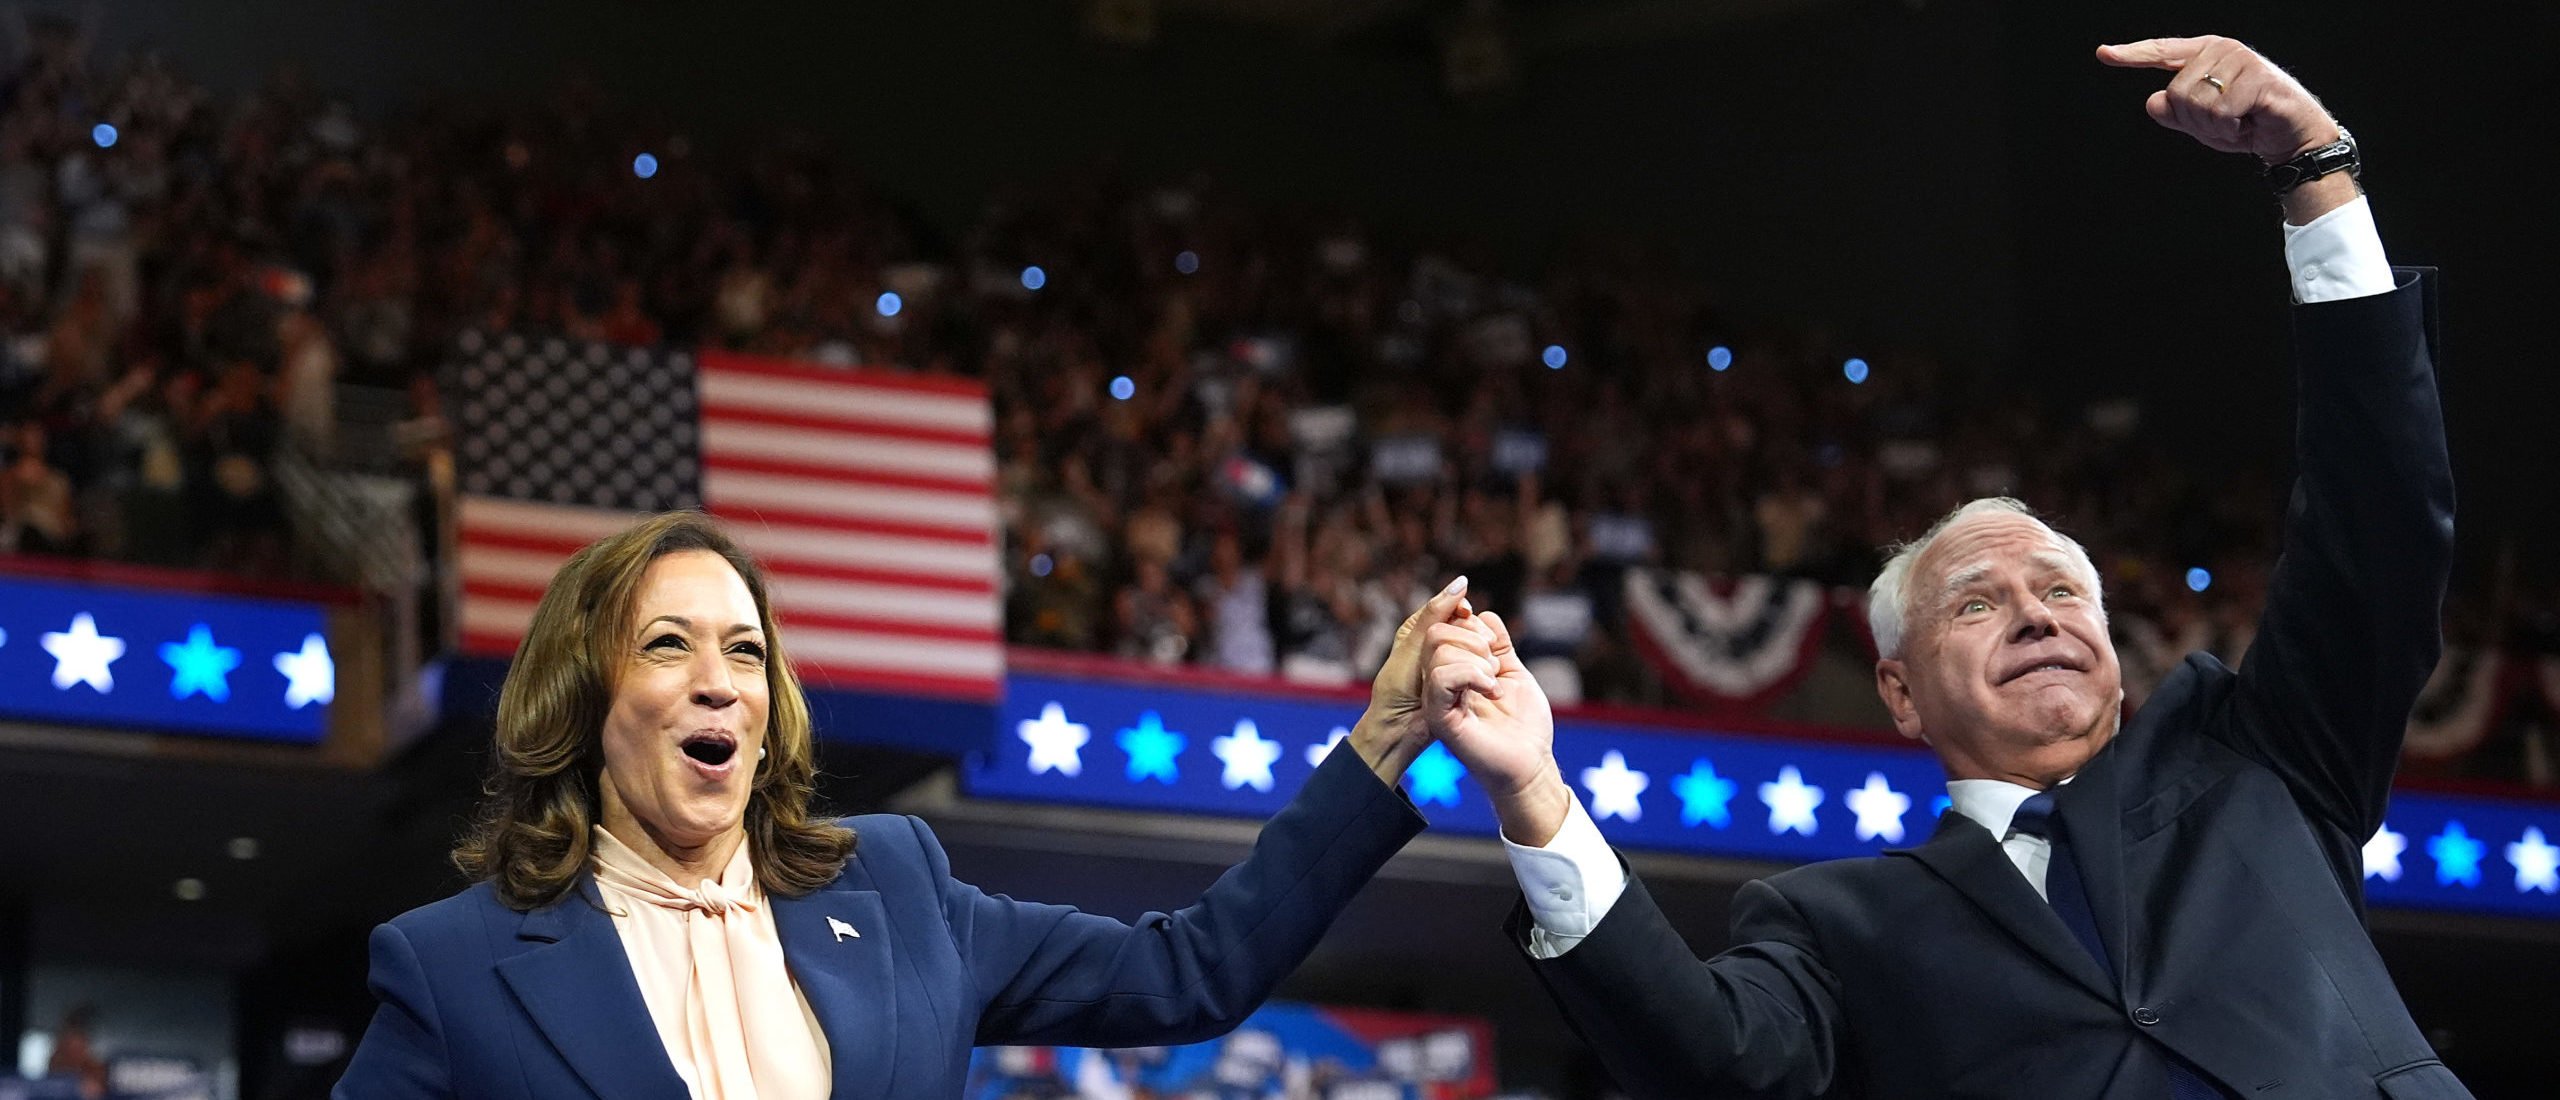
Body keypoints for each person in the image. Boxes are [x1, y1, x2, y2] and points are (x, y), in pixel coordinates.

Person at [1420, 36, 2468, 1099]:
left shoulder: (2260, 762)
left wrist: (2313, 174)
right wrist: (1534, 792)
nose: (2034, 611)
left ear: (2111, 647)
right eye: (1978, 599)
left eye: (2062, 589)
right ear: (1899, 688)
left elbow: (2374, 526)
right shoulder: (1836, 924)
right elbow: (1712, 1062)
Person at [336, 511, 1468, 1099]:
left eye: (744, 649)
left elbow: (1189, 969)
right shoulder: (455, 965)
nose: (718, 677)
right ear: (584, 700)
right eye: (666, 645)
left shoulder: (894, 888)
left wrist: (1380, 743)